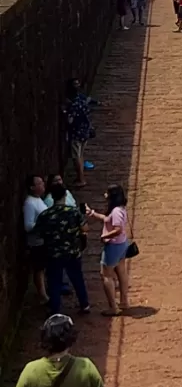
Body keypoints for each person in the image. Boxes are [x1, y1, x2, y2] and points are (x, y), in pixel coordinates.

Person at [39, 178, 90, 315]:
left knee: (54, 282)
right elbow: (85, 228)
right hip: (72, 252)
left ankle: (55, 309)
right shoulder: (73, 212)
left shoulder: (45, 215)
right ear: (65, 195)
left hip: (53, 253)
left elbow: (40, 233)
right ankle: (84, 304)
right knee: (77, 278)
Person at [87, 184, 132, 312]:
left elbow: (118, 230)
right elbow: (107, 219)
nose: (105, 195)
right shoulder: (120, 209)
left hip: (114, 245)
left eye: (107, 193)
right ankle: (124, 301)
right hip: (122, 244)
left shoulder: (116, 211)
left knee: (106, 275)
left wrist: (104, 236)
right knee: (121, 272)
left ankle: (113, 307)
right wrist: (93, 213)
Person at [23, 174, 51, 302]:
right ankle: (42, 295)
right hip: (36, 241)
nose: (42, 185)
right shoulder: (29, 203)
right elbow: (28, 226)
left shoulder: (38, 200)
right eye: (39, 183)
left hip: (43, 239)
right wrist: (42, 223)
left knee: (42, 267)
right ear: (32, 187)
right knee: (38, 269)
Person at [63, 78, 93, 185]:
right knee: (81, 155)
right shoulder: (82, 99)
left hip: (76, 133)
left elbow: (70, 120)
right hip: (85, 131)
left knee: (76, 156)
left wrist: (65, 112)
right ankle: (81, 177)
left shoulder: (73, 104)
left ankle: (81, 179)